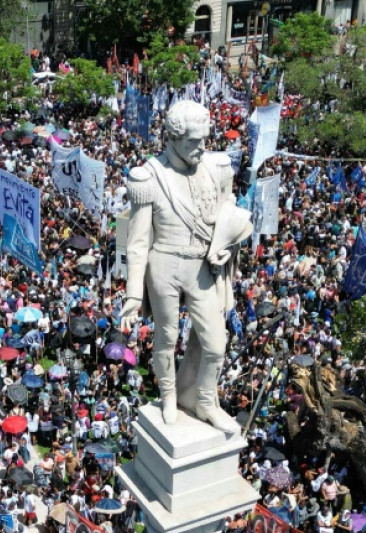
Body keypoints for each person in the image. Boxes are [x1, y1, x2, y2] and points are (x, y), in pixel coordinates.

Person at [119, 100, 251, 432]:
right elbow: (136, 241)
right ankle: (168, 395)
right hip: (163, 264)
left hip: (203, 267)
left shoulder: (217, 167)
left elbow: (226, 210)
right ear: (173, 137)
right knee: (166, 338)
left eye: (205, 139)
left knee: (215, 345)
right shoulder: (148, 176)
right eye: (194, 141)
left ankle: (205, 400)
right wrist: (133, 294)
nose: (201, 147)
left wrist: (230, 240)